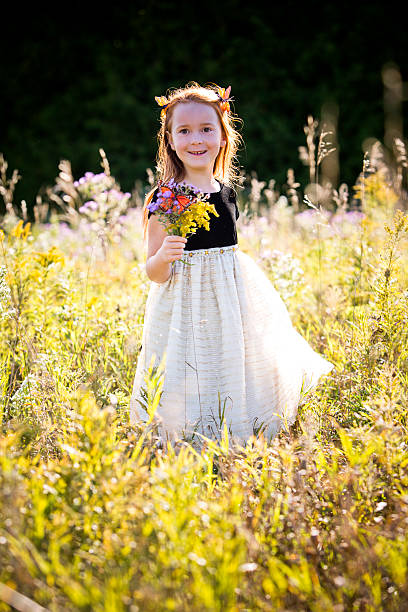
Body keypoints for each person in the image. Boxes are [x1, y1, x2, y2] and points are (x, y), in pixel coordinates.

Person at [129, 81, 335, 448]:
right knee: (186, 365)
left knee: (232, 358)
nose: (196, 139)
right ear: (171, 140)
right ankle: (185, 434)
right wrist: (164, 256)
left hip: (228, 294)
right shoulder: (166, 197)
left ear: (223, 136)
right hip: (182, 300)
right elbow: (154, 272)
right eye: (185, 130)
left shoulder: (225, 190)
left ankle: (236, 429)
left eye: (207, 129)